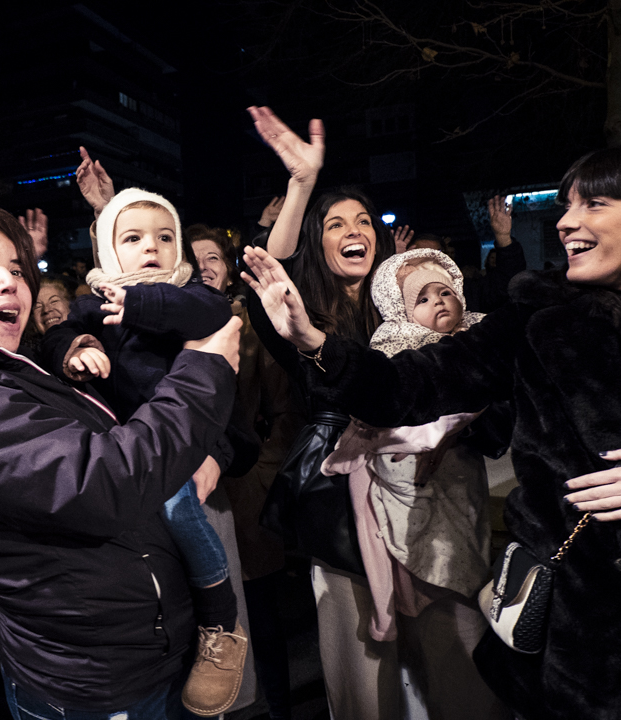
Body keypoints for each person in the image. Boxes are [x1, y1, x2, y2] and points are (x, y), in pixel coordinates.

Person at [243, 143, 621, 720]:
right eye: (566, 206)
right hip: (571, 624)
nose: (566, 222)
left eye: (595, 204)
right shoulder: (539, 313)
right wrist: (317, 344)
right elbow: (411, 386)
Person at [0, 204, 243, 720]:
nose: (9, 283)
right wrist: (205, 368)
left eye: (18, 270)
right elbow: (101, 483)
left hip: (136, 655)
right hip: (95, 682)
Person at [40, 187, 246, 715]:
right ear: (109, 252)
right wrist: (76, 349)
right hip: (124, 458)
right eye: (132, 238)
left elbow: (206, 313)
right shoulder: (92, 305)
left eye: (164, 237)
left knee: (180, 510)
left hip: (181, 452)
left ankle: (222, 625)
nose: (150, 247)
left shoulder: (193, 298)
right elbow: (57, 332)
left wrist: (136, 302)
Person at [245, 106, 406, 719]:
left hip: (417, 504)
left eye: (364, 220)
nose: (353, 229)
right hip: (340, 509)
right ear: (320, 242)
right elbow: (274, 273)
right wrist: (302, 185)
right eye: (335, 223)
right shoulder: (301, 316)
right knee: (359, 658)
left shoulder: (405, 311)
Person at [317, 247, 508, 718]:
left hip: (460, 514)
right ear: (399, 309)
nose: (440, 301)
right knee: (433, 642)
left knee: (462, 637)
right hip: (406, 517)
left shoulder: (485, 352)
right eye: (422, 297)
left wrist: (465, 418)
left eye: (447, 290)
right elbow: (380, 428)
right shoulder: (392, 357)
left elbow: (498, 431)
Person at [189, 224, 306, 720]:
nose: (202, 267)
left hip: (245, 492)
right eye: (192, 257)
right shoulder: (163, 330)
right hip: (191, 501)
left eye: (212, 257)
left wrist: (263, 473)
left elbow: (285, 411)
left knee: (261, 616)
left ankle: (277, 710)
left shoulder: (249, 325)